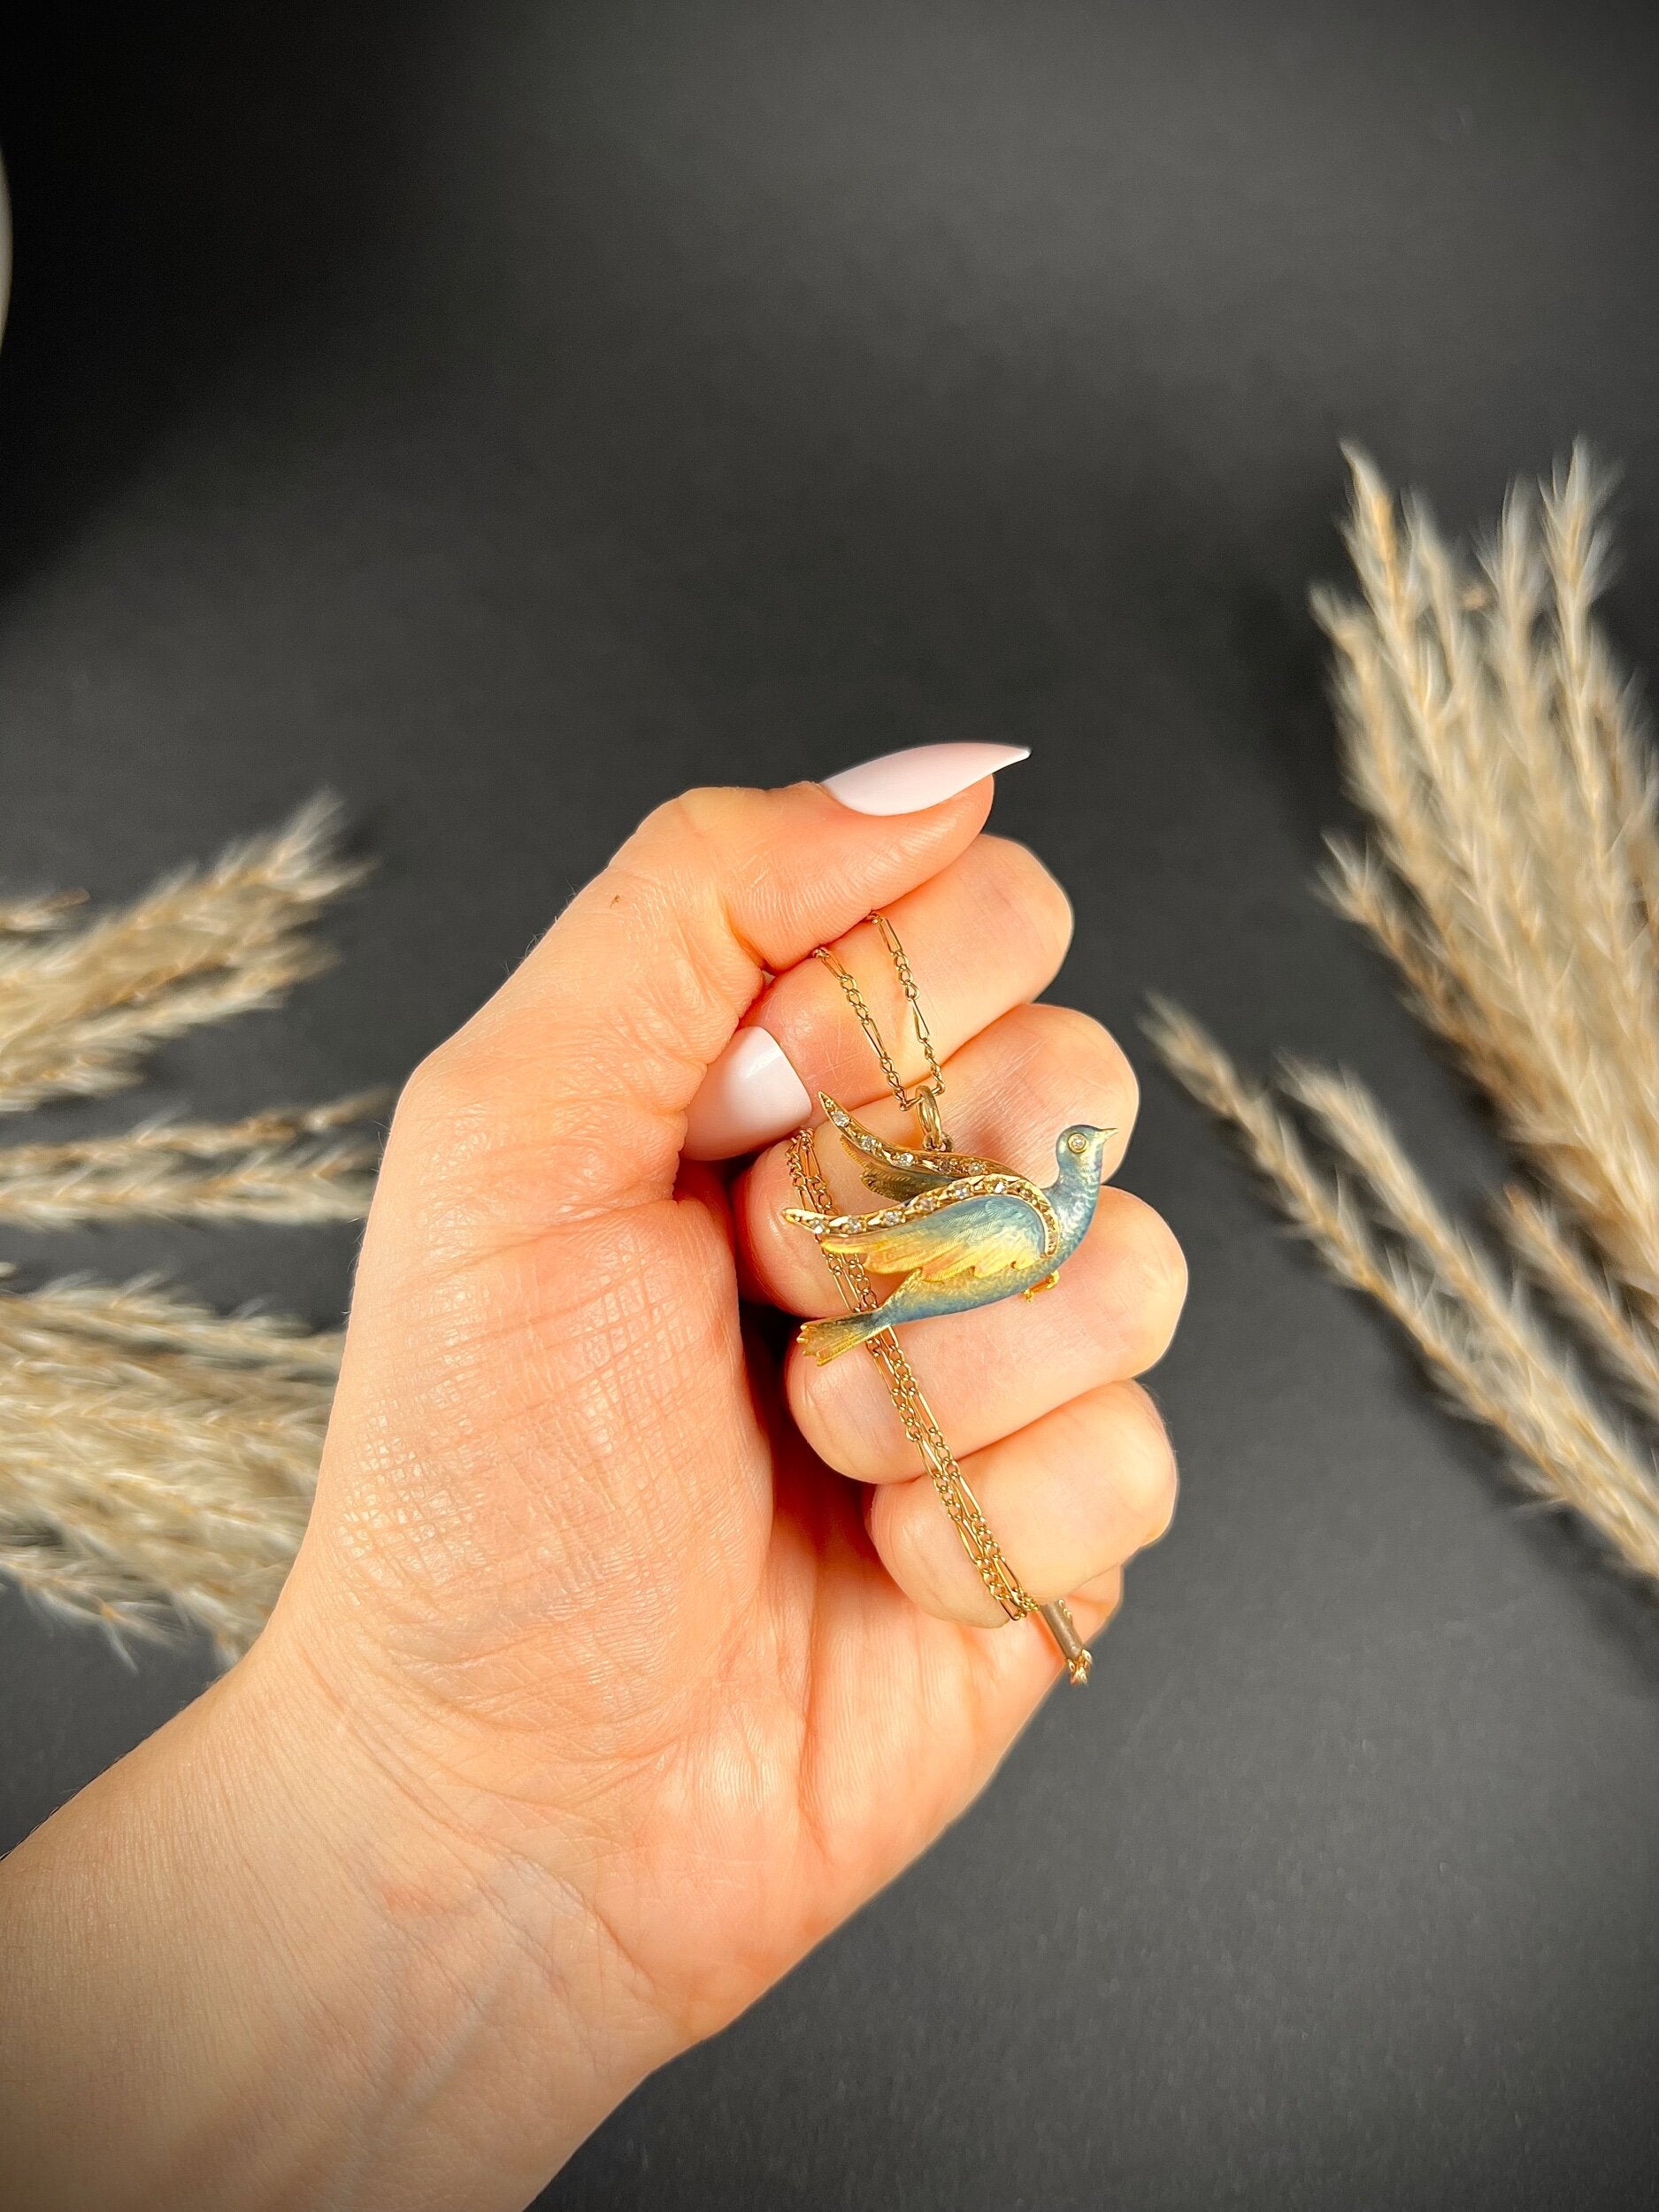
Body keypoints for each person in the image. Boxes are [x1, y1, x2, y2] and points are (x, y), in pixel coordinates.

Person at [0, 745, 1185, 2209]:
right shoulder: (1017, 1208)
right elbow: (917, 1249)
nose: (1066, 1170)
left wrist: (476, 1849)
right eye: (1066, 1167)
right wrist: (445, 1797)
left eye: (1063, 1165)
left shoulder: (1023, 1213)